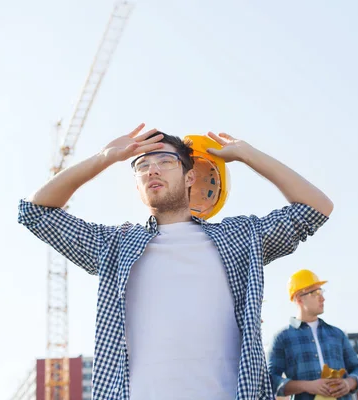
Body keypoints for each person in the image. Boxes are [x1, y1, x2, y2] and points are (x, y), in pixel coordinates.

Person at [17, 123, 333, 400]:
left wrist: (248, 155)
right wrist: (104, 157)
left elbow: (316, 207)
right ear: (138, 186)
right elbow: (34, 212)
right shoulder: (115, 246)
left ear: (189, 175)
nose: (153, 169)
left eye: (166, 161)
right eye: (142, 165)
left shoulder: (239, 238)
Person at [267, 269, 358, 399]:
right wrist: (307, 386)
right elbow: (271, 380)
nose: (323, 298)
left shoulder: (337, 334)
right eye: (316, 292)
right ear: (299, 298)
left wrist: (349, 383)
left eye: (322, 291)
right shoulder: (282, 338)